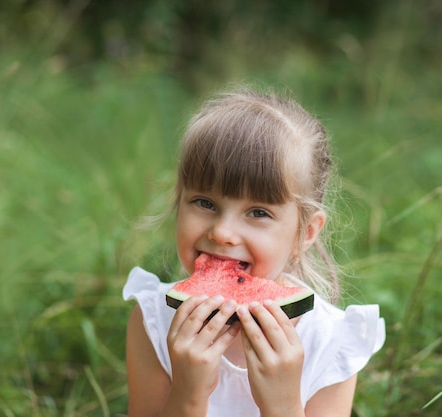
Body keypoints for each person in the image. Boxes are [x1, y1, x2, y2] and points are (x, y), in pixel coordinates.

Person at [123, 87, 385, 417]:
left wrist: (283, 405)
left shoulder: (330, 342)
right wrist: (188, 394)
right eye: (205, 203)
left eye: (258, 212)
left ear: (304, 233)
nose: (222, 232)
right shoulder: (153, 321)